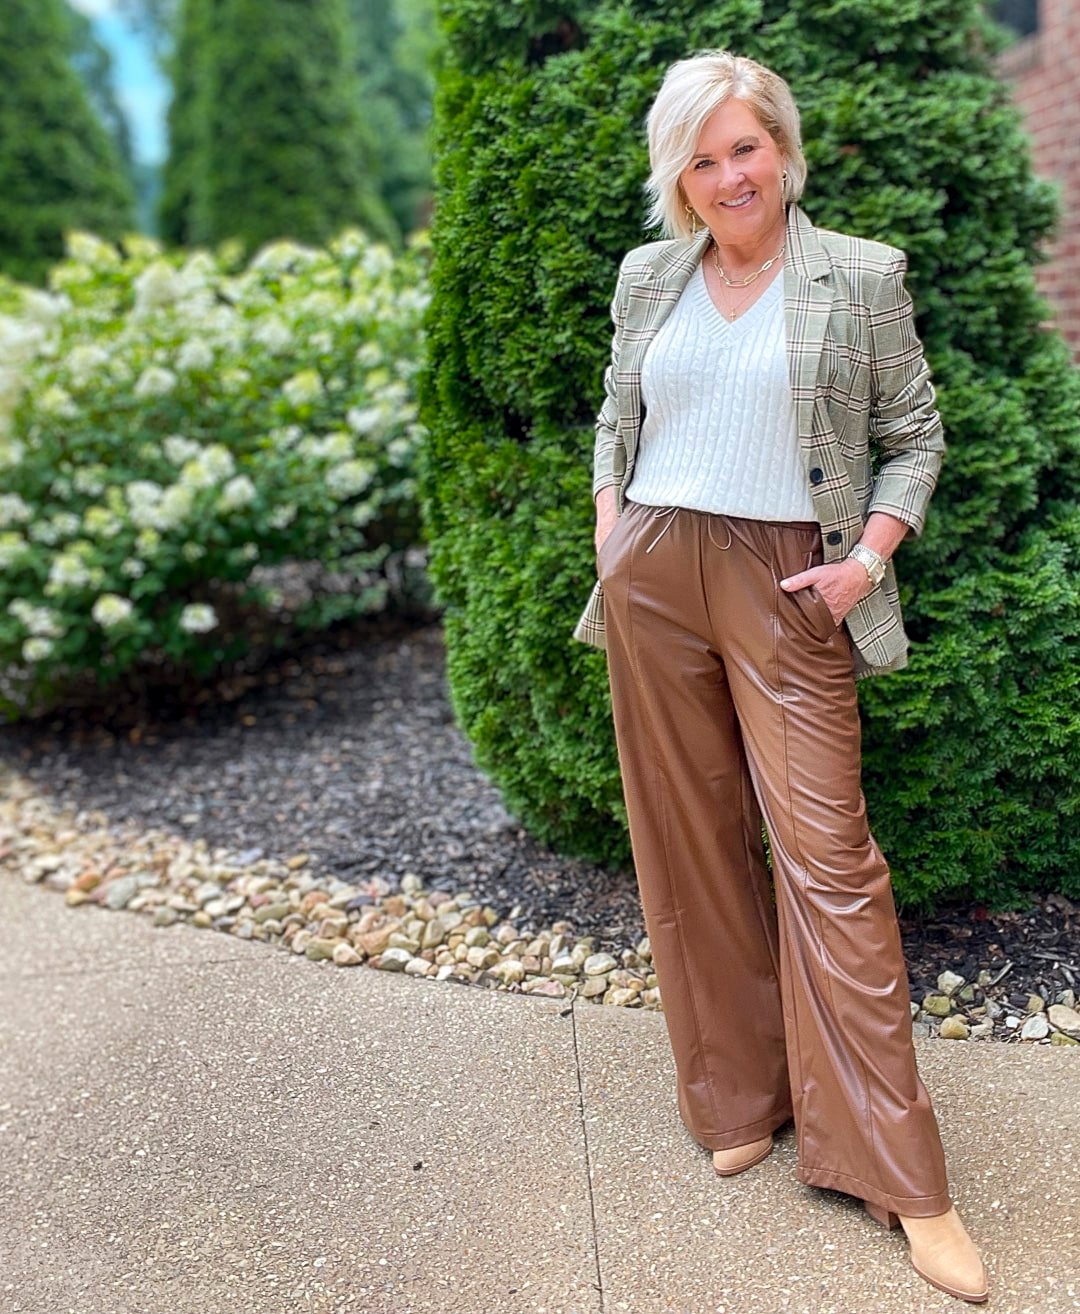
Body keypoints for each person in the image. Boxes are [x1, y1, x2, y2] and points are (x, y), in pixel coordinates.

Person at [571, 49, 989, 1305]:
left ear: (781, 149)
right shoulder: (651, 275)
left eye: (741, 148)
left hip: (791, 583)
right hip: (654, 571)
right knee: (687, 840)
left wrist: (868, 559)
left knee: (829, 858)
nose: (725, 176)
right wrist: (610, 519)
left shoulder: (857, 275)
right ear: (677, 177)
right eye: (699, 159)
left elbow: (914, 436)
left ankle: (902, 1176)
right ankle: (737, 1095)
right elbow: (614, 410)